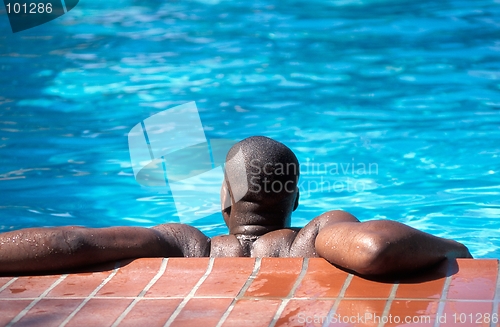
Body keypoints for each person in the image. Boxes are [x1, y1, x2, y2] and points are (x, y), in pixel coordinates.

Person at [0, 136, 471, 276]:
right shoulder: (313, 237)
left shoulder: (184, 243)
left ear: (224, 198)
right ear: (296, 199)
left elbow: (69, 240)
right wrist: (455, 247)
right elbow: (373, 248)